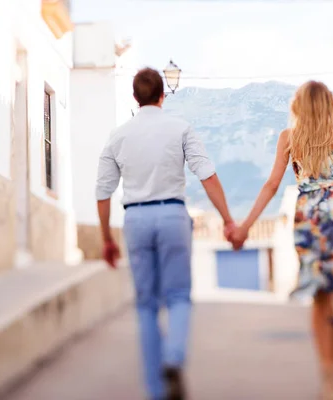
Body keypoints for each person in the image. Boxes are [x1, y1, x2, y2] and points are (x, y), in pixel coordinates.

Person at [227, 81, 333, 399]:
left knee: (319, 294)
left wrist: (244, 226)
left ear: (298, 106)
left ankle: (327, 372)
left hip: (310, 217)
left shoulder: (289, 138)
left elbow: (271, 185)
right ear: (328, 104)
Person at [96, 68, 234, 400]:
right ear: (162, 95)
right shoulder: (181, 128)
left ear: (135, 97)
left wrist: (106, 239)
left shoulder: (118, 135)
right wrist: (228, 220)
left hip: (137, 218)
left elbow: (102, 192)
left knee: (145, 305)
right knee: (178, 296)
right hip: (172, 214)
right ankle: (174, 357)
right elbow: (208, 176)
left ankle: (156, 391)